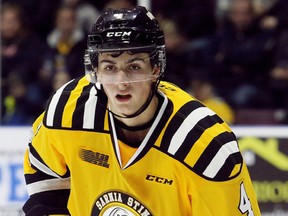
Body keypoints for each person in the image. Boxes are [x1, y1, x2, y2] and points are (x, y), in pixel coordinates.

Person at [22, 6, 261, 215]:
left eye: (134, 66)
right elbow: (43, 174)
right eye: (109, 67)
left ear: (156, 68)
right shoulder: (67, 110)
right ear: (95, 70)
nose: (121, 81)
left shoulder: (206, 147)